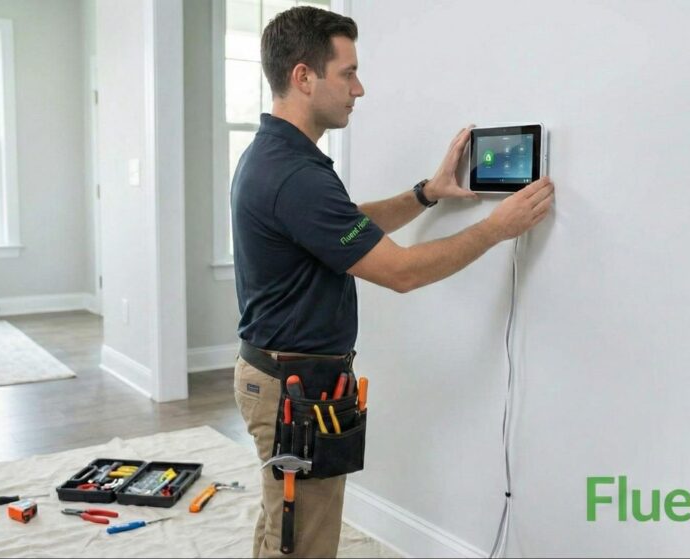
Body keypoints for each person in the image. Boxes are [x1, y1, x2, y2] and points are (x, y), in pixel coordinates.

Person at [230, 6, 555, 558]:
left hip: (280, 376)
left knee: (280, 527)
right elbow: (400, 272)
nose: (360, 89)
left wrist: (425, 193)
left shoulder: (279, 158)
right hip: (294, 388)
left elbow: (345, 225)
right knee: (303, 540)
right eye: (347, 72)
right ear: (304, 77)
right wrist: (497, 229)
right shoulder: (296, 175)